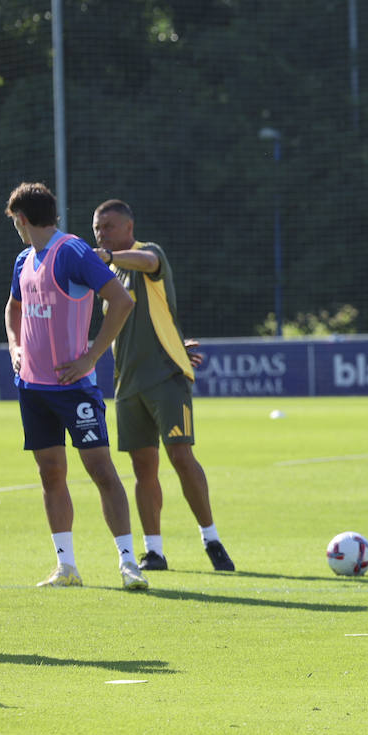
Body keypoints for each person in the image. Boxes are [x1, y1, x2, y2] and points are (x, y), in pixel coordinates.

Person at [3, 182, 149, 590]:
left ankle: (128, 563)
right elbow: (13, 308)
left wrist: (91, 356)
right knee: (50, 472)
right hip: (33, 388)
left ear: (22, 219)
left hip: (74, 388)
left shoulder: (73, 252)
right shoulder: (23, 260)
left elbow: (122, 300)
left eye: (14, 221)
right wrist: (15, 346)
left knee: (101, 470)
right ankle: (66, 567)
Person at [91, 199, 235, 572]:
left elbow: (149, 262)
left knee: (181, 456)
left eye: (108, 226)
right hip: (127, 384)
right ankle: (153, 551)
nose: (102, 233)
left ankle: (212, 540)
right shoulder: (110, 276)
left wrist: (110, 256)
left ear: (128, 227)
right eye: (97, 228)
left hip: (165, 377)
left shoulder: (147, 254)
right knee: (143, 468)